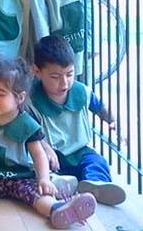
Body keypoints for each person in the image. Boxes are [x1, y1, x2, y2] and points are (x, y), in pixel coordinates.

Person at [0, 57, 97, 225]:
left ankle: (56, 209)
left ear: (19, 98)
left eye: (1, 94)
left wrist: (44, 178)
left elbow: (39, 155)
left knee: (37, 193)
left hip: (18, 177)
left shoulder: (27, 124)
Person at [30, 35, 125, 205]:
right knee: (37, 168)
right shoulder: (31, 100)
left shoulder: (81, 91)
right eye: (55, 77)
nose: (64, 83)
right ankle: (58, 184)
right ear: (37, 72)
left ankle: (95, 185)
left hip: (79, 151)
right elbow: (29, 131)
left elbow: (100, 107)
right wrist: (45, 148)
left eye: (69, 74)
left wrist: (113, 122)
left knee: (96, 162)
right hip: (51, 155)